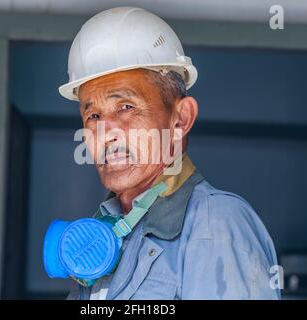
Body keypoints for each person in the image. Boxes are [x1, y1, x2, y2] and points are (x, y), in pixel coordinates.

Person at [57, 6, 280, 300]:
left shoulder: (216, 225)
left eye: (126, 107)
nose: (105, 132)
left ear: (181, 119)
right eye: (93, 115)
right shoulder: (109, 228)